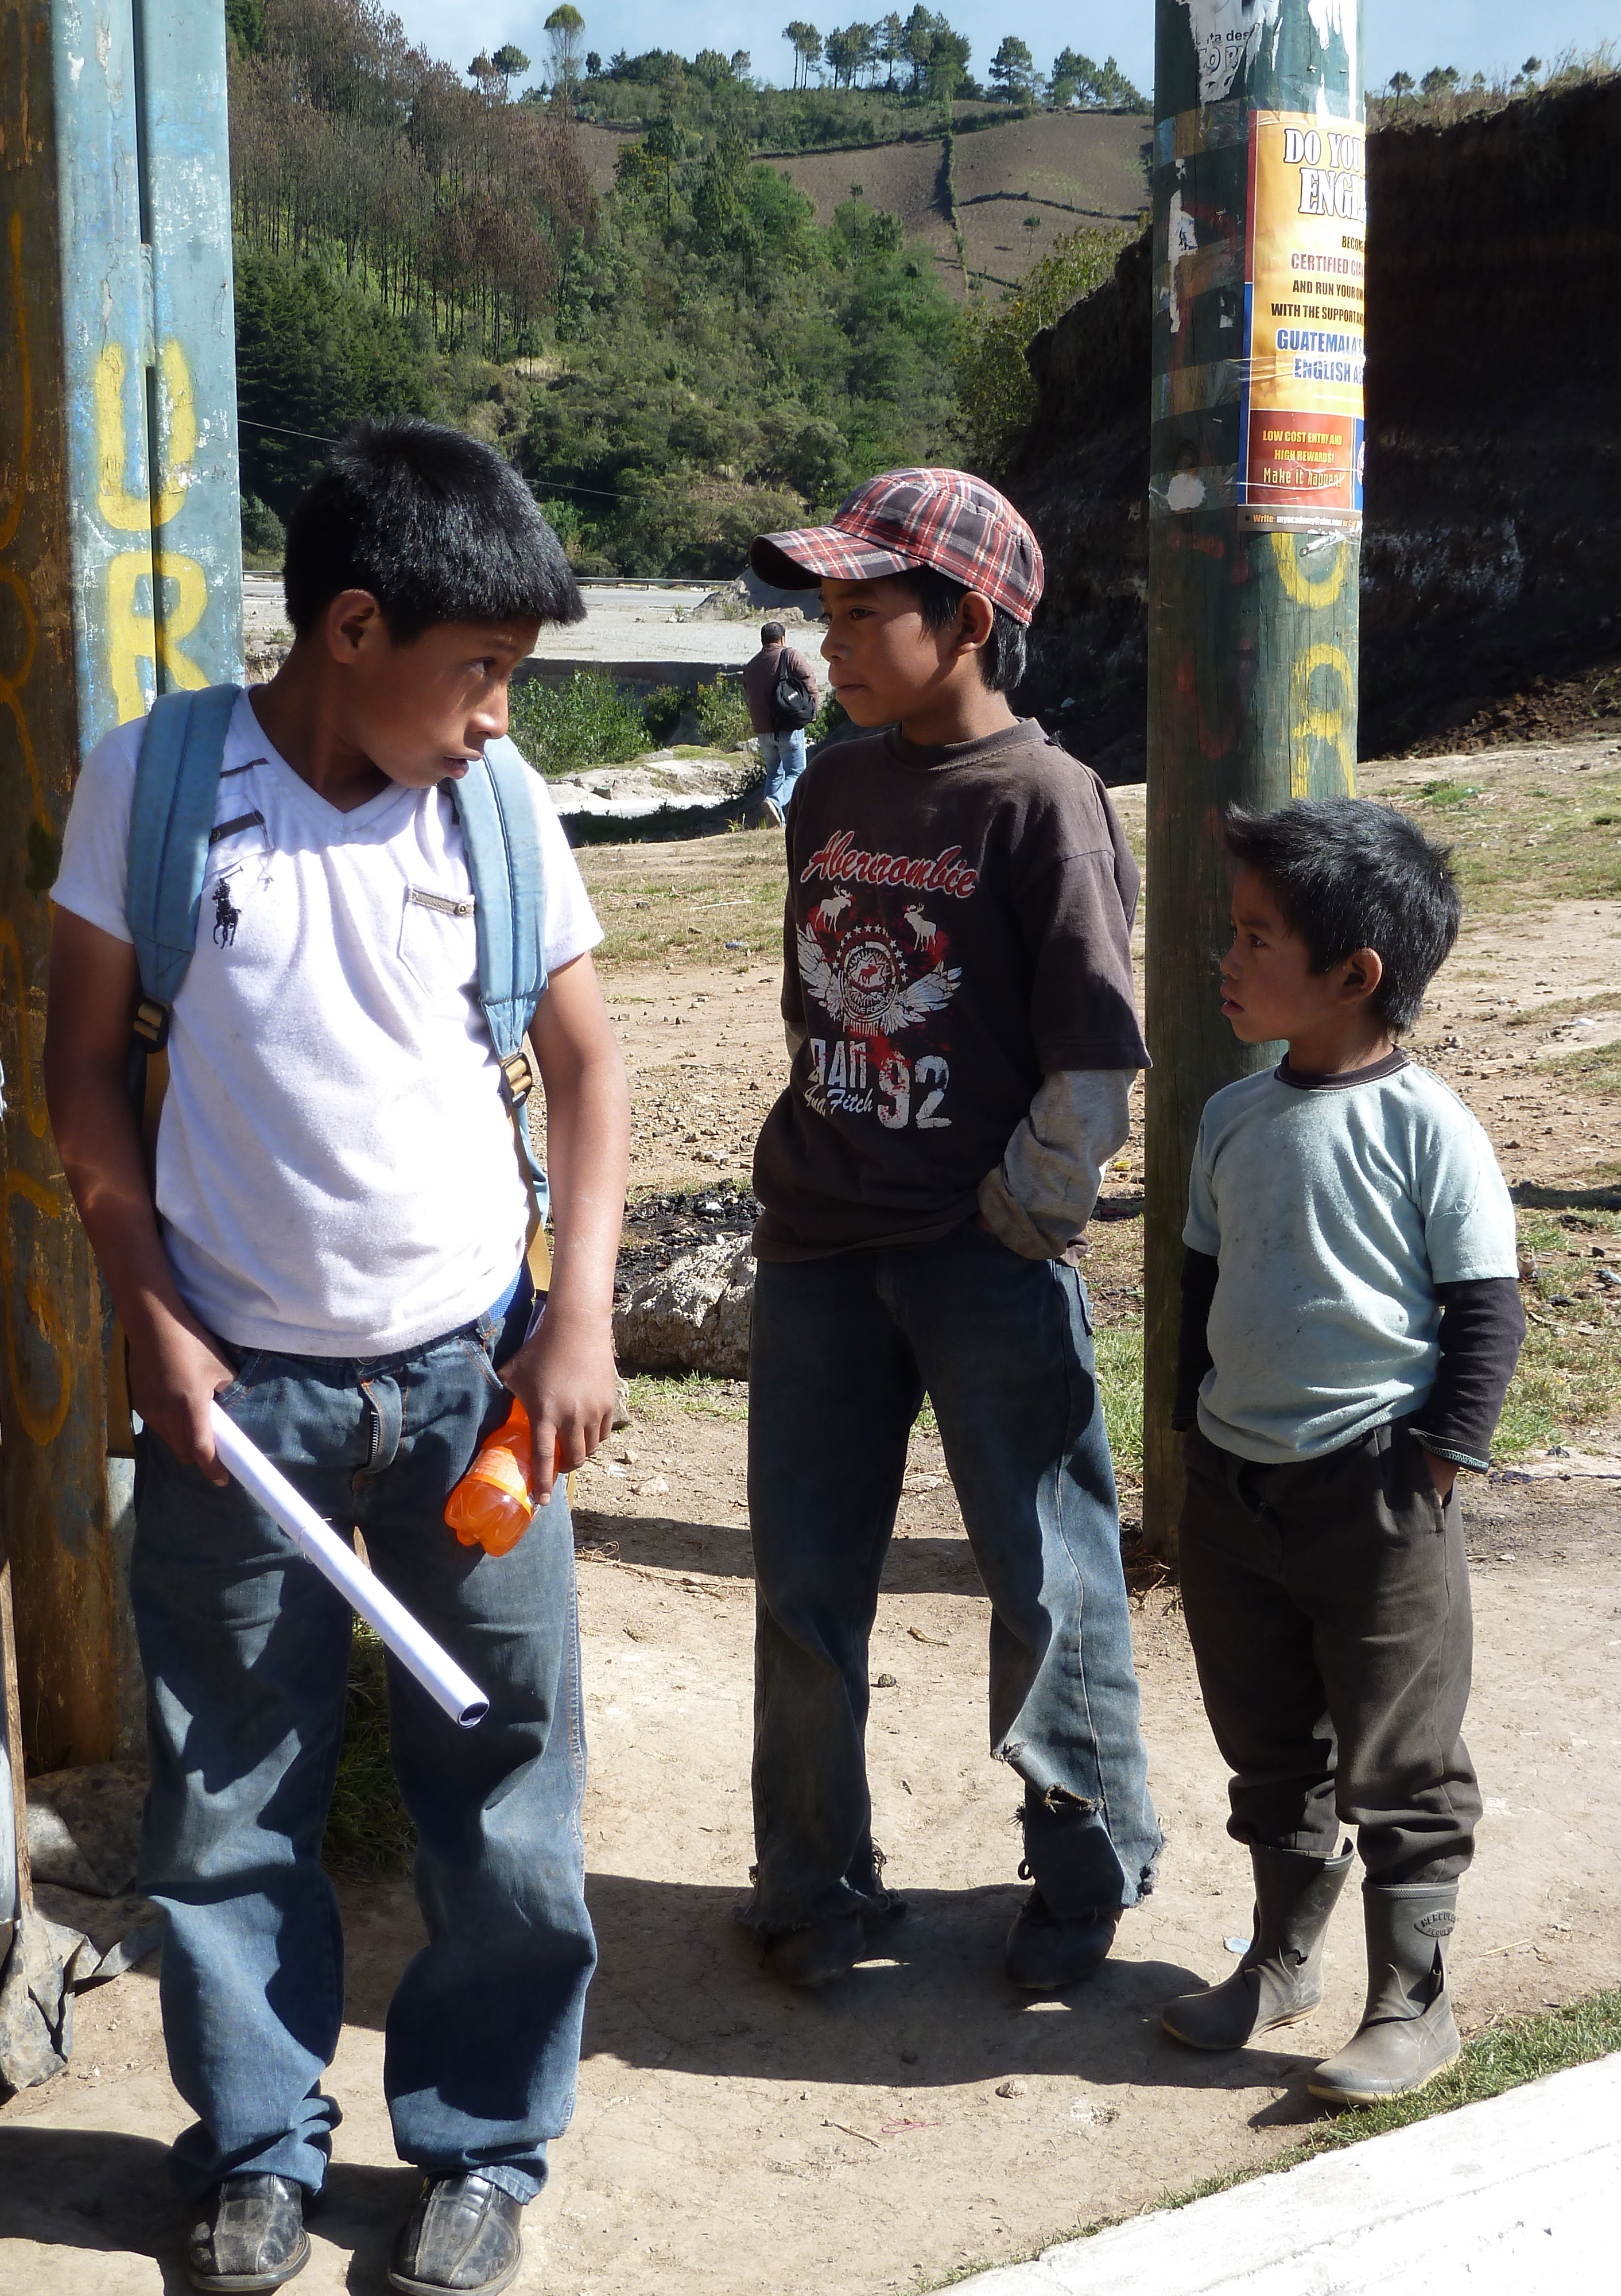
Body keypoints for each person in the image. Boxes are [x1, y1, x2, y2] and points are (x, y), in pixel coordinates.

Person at [44, 421, 629, 2295]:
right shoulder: (157, 783)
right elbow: (79, 1069)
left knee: (507, 1790)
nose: (497, 716)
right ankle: (254, 2146)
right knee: (226, 1796)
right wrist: (150, 1311)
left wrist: (580, 1313)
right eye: (479, 672)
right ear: (352, 629)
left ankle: (483, 2148)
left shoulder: (496, 810)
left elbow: (587, 1070)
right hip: (242, 1412)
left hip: (473, 1392)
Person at [736, 467, 1162, 1992]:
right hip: (817, 1250)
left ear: (969, 623)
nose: (831, 644)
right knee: (804, 1587)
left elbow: (1095, 1052)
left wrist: (1022, 1213)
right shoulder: (833, 788)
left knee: (1050, 1579)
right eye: (827, 613)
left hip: (980, 1255)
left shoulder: (1044, 801)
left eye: (865, 613)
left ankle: (1082, 1869)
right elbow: (819, 998)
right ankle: (811, 1883)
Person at [1159, 800, 1523, 2106]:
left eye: (1257, 938)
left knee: (1401, 1761)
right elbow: (1200, 1288)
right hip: (1234, 1492)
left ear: (1355, 975)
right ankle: (1280, 1956)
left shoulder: (1429, 1127)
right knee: (1266, 1741)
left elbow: (1486, 1309)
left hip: (1373, 1496)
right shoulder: (1231, 1116)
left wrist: (1437, 1464)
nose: (1227, 957)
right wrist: (1191, 1436)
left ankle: (1413, 2003)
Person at [741, 618, 820, 825]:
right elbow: (809, 680)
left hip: (763, 731)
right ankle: (775, 803)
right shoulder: (789, 655)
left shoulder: (751, 666)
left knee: (774, 774)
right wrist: (812, 711)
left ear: (762, 641)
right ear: (783, 638)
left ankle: (775, 823)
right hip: (788, 727)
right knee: (797, 772)